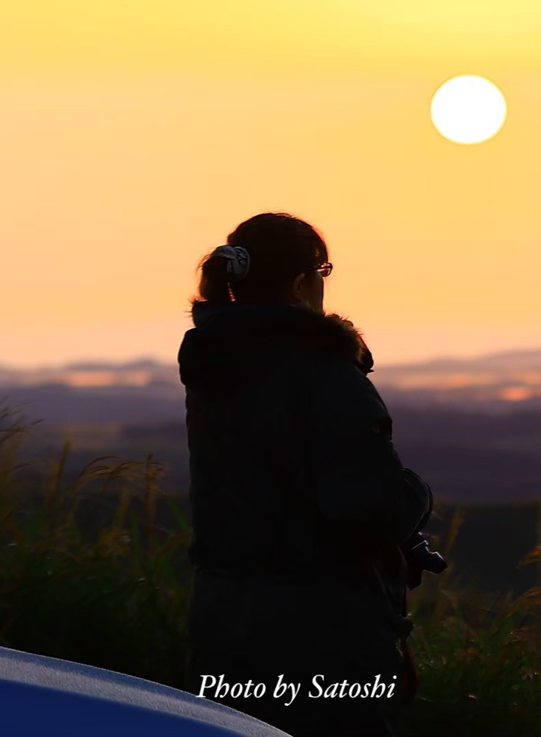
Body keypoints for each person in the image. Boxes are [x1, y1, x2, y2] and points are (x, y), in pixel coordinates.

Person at [178, 212, 434, 736]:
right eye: (324, 270)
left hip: (224, 623)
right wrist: (416, 494)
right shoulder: (326, 374)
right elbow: (368, 511)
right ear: (300, 285)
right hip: (323, 638)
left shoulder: (214, 366)